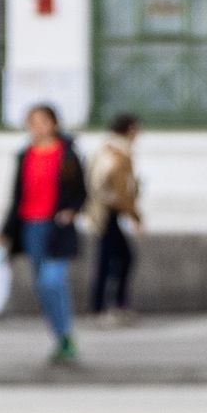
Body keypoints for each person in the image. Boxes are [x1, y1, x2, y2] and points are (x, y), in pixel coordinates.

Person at [0, 102, 83, 366]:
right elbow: (17, 197)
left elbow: (81, 191)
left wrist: (71, 211)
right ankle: (60, 338)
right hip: (30, 227)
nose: (38, 127)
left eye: (43, 121)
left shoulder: (67, 154)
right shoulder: (25, 155)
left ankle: (66, 333)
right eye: (32, 123)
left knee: (52, 281)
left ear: (53, 124)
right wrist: (3, 232)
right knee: (42, 287)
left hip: (57, 228)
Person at [86, 113, 145, 320]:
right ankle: (103, 307)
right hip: (108, 211)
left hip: (106, 210)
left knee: (116, 257)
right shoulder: (118, 153)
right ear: (130, 129)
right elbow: (121, 189)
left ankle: (110, 305)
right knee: (114, 258)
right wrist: (135, 216)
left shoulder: (108, 149)